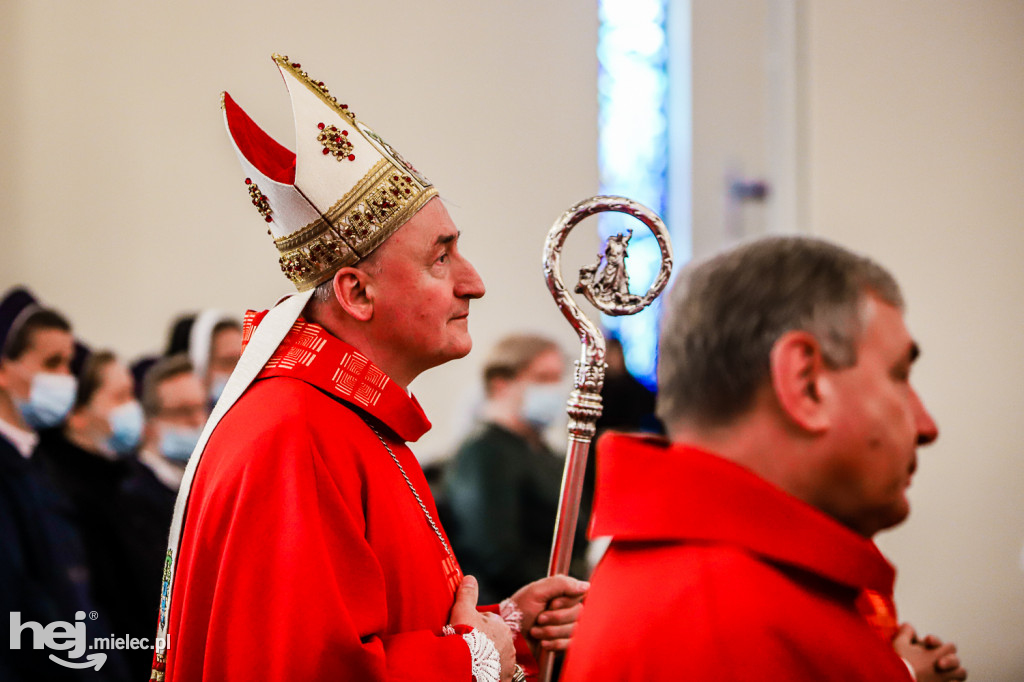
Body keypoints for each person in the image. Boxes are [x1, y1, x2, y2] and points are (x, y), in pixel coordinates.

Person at [155, 55, 587, 682]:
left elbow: (380, 628)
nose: (475, 283)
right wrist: (478, 657)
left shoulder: (345, 420)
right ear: (357, 294)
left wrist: (508, 627)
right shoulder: (295, 435)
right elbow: (306, 670)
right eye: (442, 258)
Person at [561, 236, 967, 682]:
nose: (926, 426)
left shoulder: (727, 582)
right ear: (806, 382)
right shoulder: (716, 625)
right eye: (899, 376)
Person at [0, 290, 129, 681]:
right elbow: (18, 610)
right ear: (4, 370)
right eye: (51, 363)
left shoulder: (38, 463)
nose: (65, 379)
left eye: (68, 364)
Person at [37, 350, 154, 680]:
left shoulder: (121, 479)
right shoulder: (66, 494)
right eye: (120, 396)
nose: (133, 407)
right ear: (76, 414)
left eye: (132, 394)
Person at [444, 334, 584, 604]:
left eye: (558, 378)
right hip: (510, 610)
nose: (556, 390)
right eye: (543, 379)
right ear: (501, 385)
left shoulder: (541, 449)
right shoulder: (485, 452)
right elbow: (496, 555)